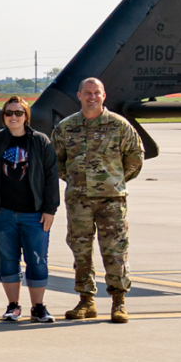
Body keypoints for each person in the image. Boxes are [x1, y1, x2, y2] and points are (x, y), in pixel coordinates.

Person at [52, 77, 145, 323]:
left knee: (115, 251)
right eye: (87, 92)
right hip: (78, 200)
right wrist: (76, 180)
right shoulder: (66, 127)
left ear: (104, 95)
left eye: (97, 92)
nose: (92, 96)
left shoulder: (119, 125)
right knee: (81, 251)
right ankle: (86, 301)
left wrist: (114, 180)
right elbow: (57, 161)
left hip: (111, 200)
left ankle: (118, 301)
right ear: (79, 95)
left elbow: (135, 157)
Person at [0, 95, 59, 323]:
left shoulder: (40, 142)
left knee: (37, 259)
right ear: (3, 116)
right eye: (9, 113)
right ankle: (13, 306)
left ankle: (38, 307)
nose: (13, 117)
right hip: (0, 213)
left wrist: (50, 209)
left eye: (18, 113)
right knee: (7, 260)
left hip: (34, 213)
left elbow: (52, 177)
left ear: (26, 116)